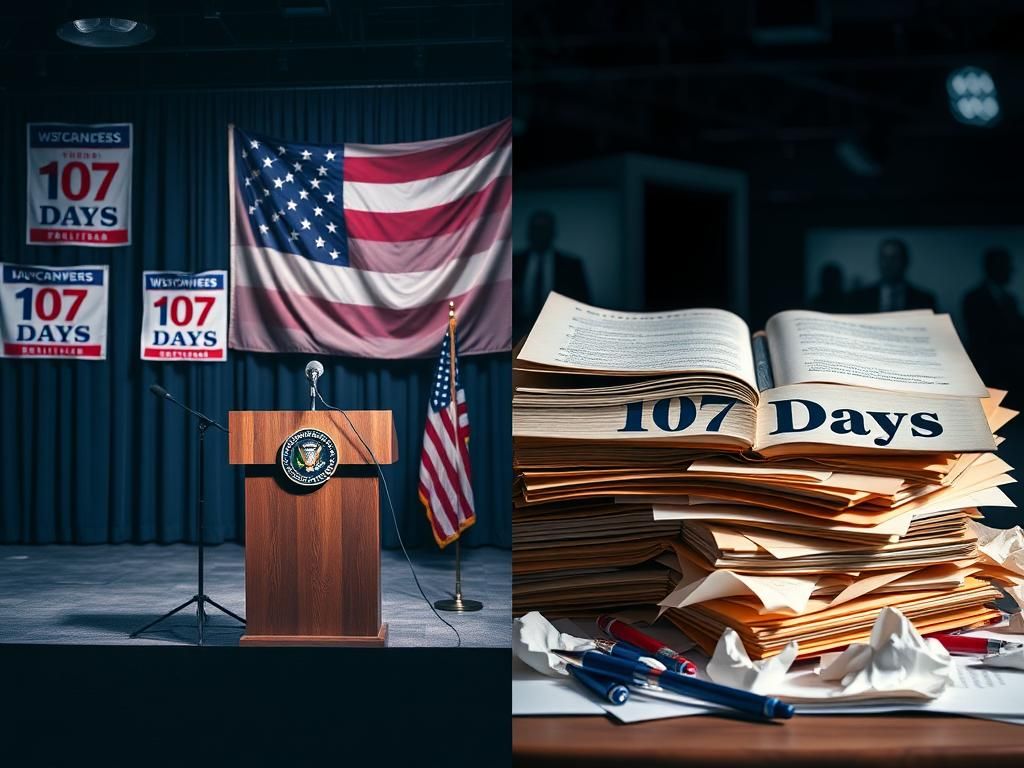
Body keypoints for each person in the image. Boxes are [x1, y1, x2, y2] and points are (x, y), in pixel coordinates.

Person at [513, 210, 591, 339]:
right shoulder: (512, 263)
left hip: (559, 333)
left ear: (553, 232)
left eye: (544, 229)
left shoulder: (571, 265)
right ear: (529, 232)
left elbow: (584, 304)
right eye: (536, 229)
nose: (540, 234)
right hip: (518, 333)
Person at [963, 246, 1024, 392]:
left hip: (1011, 369)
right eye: (1005, 266)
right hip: (988, 368)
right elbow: (980, 335)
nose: (1010, 270)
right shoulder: (974, 298)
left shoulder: (1010, 299)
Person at [847, 238, 937, 313]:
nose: (888, 263)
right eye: (884, 258)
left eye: (894, 258)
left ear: (905, 262)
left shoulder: (925, 300)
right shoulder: (860, 298)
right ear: (878, 261)